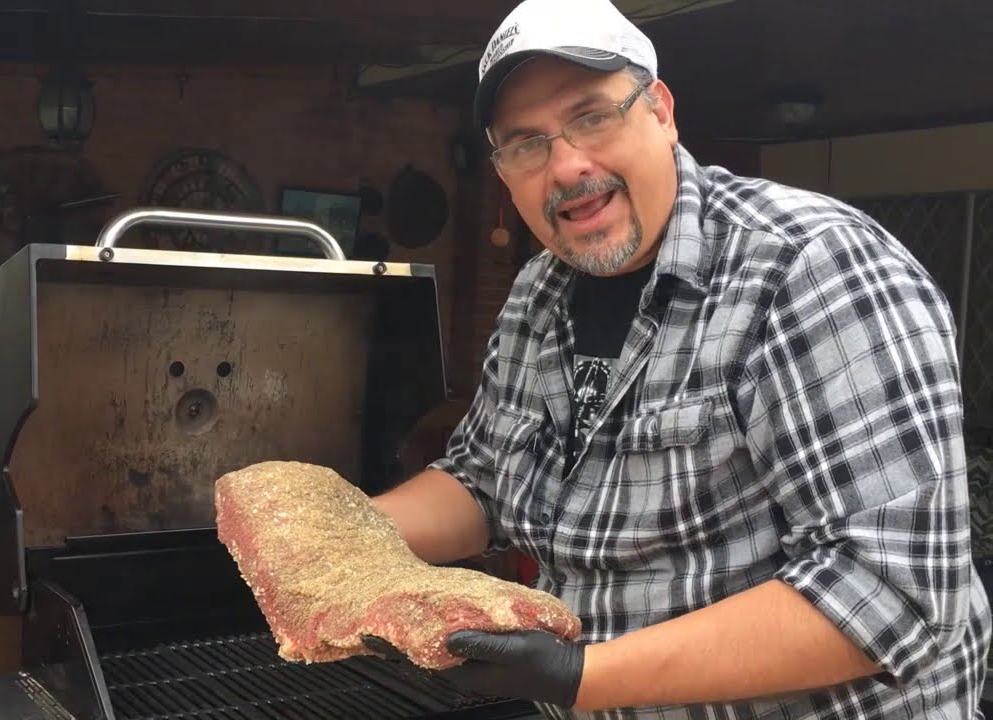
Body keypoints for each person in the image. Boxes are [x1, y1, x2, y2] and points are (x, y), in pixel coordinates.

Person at [365, 0, 993, 717]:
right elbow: (482, 481)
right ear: (504, 172)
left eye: (592, 116)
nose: (567, 165)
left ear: (660, 111)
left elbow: (892, 593)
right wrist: (341, 545)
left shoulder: (808, 267)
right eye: (526, 143)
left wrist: (577, 676)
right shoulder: (541, 292)